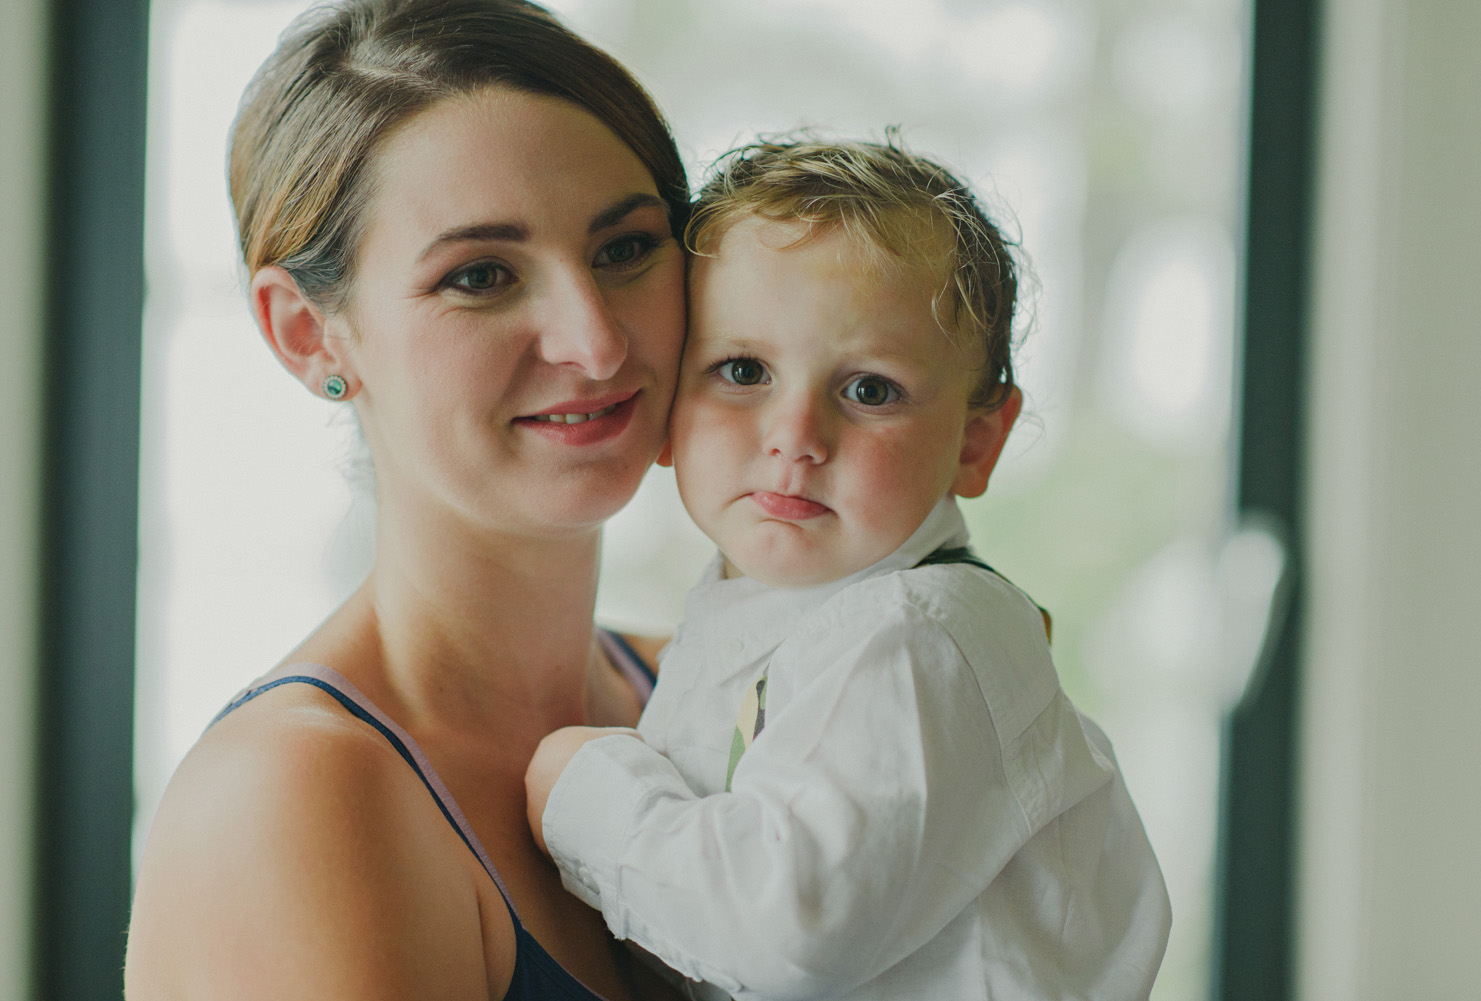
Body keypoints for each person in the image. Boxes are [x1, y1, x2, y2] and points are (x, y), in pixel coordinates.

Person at [124, 1, 693, 998]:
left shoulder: (702, 693)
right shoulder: (296, 796)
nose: (595, 341)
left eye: (625, 248)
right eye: (481, 274)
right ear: (309, 334)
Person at [525, 139, 1173, 1001]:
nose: (796, 435)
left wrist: (586, 791)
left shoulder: (914, 635)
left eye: (870, 390)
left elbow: (787, 929)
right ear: (669, 408)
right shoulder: (771, 622)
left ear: (976, 442)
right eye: (743, 371)